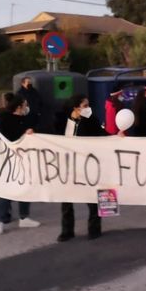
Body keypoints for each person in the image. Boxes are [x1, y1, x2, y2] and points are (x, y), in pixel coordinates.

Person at [58, 94, 107, 242]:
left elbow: (101, 134)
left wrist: (116, 137)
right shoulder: (61, 121)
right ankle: (67, 231)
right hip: (67, 167)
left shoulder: (91, 121)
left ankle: (94, 229)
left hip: (87, 166)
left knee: (92, 199)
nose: (88, 108)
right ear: (76, 108)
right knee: (66, 201)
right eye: (85, 106)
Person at [0, 94, 41, 235]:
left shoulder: (25, 118)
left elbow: (36, 122)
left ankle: (24, 216)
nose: (27, 107)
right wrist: (23, 133)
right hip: (10, 158)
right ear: (19, 106)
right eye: (25, 104)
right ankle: (0, 220)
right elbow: (9, 137)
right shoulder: (4, 119)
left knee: (25, 187)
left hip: (25, 158)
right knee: (7, 190)